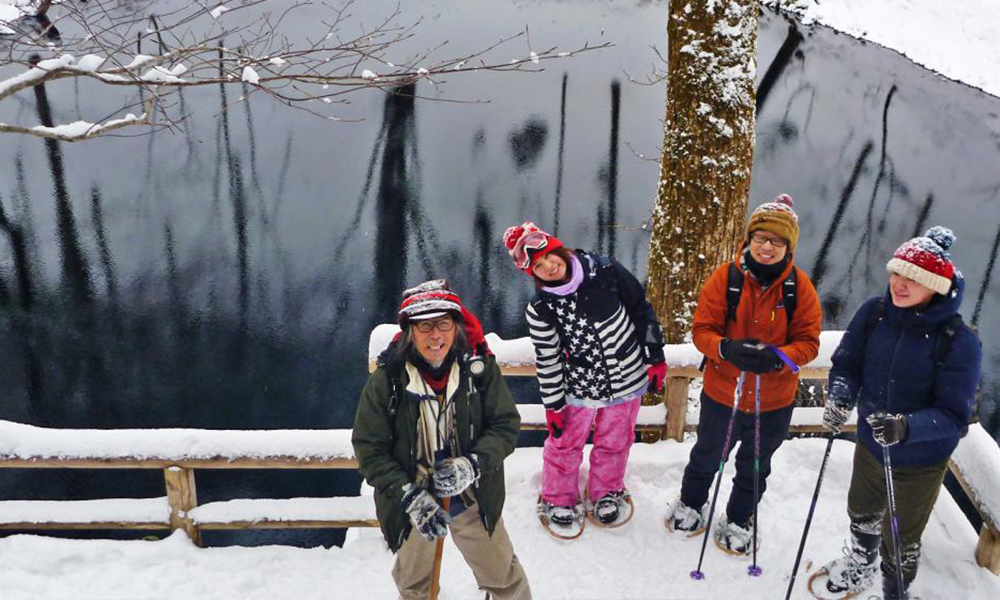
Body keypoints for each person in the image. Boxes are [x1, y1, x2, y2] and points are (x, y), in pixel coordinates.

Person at [820, 227, 981, 599]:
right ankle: (862, 560)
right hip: (870, 446)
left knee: (900, 538)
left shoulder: (959, 341)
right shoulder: (874, 314)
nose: (900, 284)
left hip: (919, 461)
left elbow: (955, 418)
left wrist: (905, 427)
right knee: (860, 510)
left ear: (935, 287)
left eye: (913, 279)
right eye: (897, 273)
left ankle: (895, 591)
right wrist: (841, 397)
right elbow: (847, 364)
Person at [352, 280, 531, 600]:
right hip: (411, 495)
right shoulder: (389, 378)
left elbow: (505, 425)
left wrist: (473, 464)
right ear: (410, 331)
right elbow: (369, 447)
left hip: (471, 493)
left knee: (502, 574)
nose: (435, 334)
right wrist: (408, 496)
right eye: (424, 326)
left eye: (443, 324)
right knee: (414, 585)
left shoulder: (479, 369)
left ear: (456, 326)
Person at [665, 194, 822, 555]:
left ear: (788, 247)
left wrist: (779, 358)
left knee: (755, 465)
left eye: (777, 241)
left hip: (774, 400)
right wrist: (726, 348)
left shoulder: (800, 288)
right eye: (761, 238)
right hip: (723, 393)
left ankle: (739, 518)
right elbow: (702, 329)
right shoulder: (727, 278)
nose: (767, 247)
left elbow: (809, 343)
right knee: (707, 454)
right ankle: (691, 503)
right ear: (749, 239)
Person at [502, 221, 668, 530]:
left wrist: (655, 355)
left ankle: (606, 490)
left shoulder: (604, 270)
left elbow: (640, 309)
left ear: (559, 248)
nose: (549, 266)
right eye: (538, 266)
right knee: (565, 442)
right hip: (578, 383)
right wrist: (552, 405)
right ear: (532, 273)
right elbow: (548, 358)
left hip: (627, 375)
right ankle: (558, 495)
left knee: (616, 439)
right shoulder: (541, 308)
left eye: (550, 256)